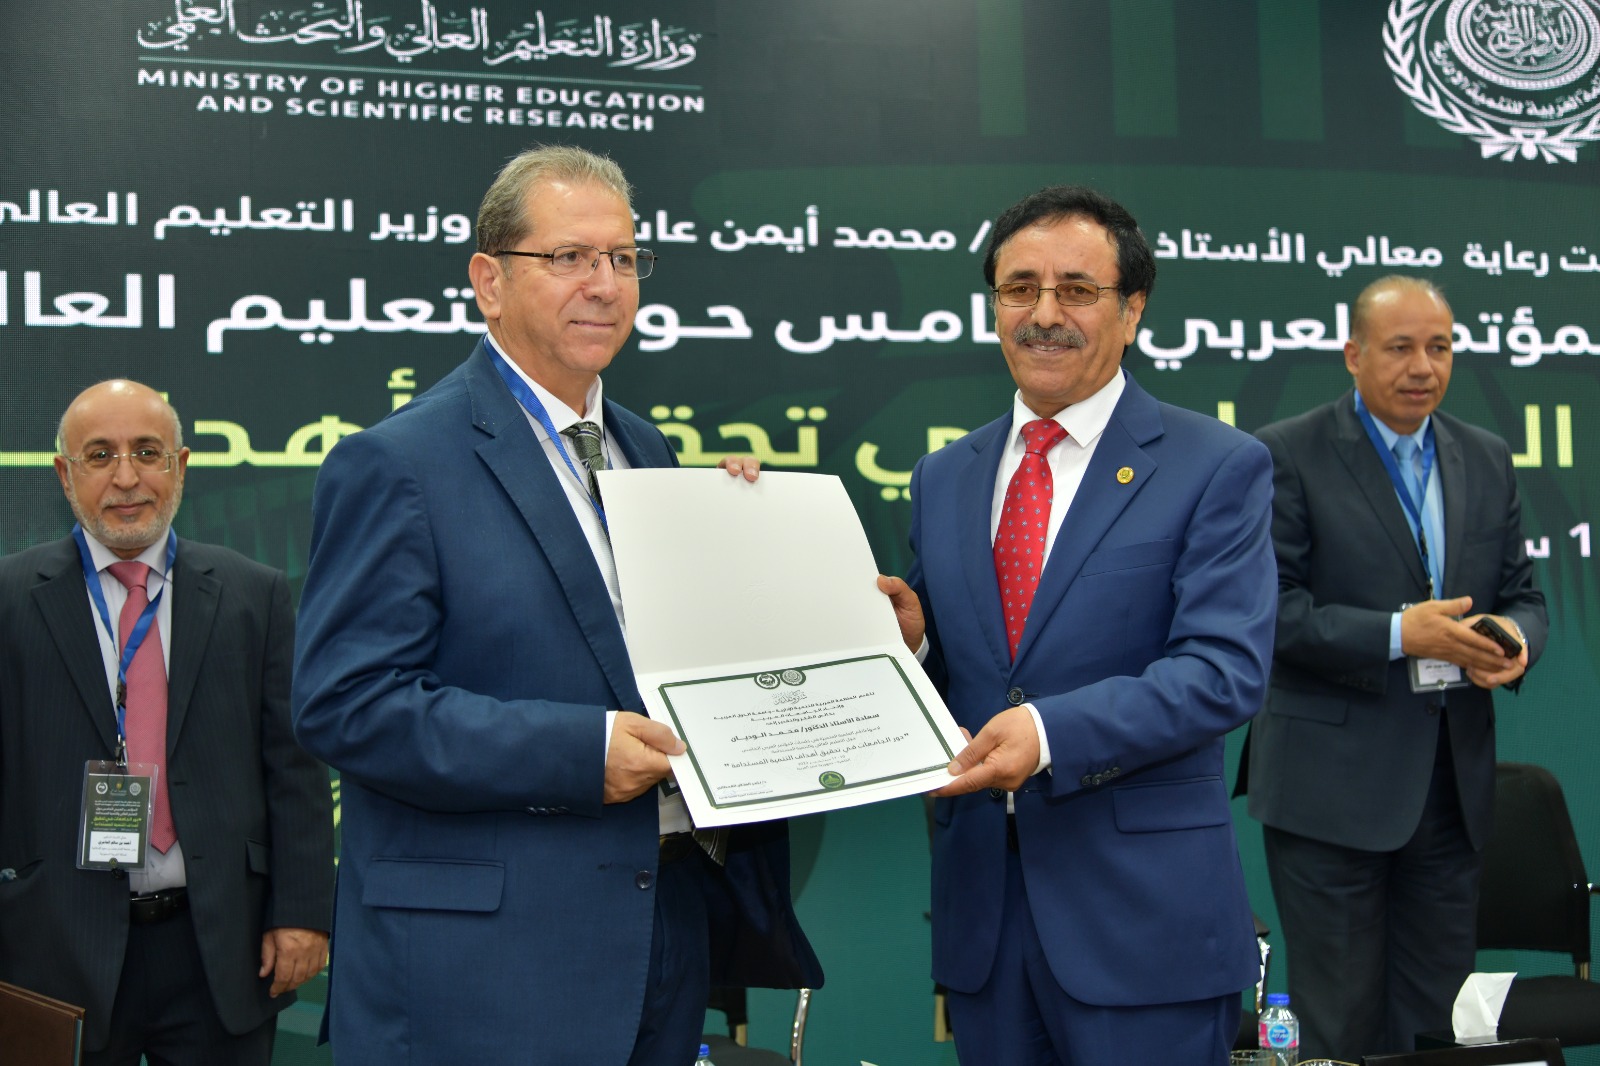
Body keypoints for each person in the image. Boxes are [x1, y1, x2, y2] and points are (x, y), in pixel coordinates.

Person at [291, 144, 821, 1066]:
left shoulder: (647, 452)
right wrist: (578, 752)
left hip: (662, 938)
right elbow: (347, 704)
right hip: (482, 972)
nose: (604, 285)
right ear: (489, 282)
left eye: (623, 258)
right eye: (569, 256)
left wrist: (764, 561)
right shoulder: (397, 462)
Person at [877, 185, 1276, 1065]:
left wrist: (1048, 732)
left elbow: (1223, 673)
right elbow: (969, 677)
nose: (1045, 314)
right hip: (986, 924)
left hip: (1145, 928)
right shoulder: (944, 475)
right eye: (1020, 289)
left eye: (1077, 290)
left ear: (1132, 311)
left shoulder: (1217, 465)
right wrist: (916, 646)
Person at [1241, 275, 1547, 1060]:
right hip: (1328, 790)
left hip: (1448, 789)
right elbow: (1269, 610)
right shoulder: (1287, 452)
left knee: (1436, 1023)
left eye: (1439, 348)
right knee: (1339, 1023)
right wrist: (1397, 634)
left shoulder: (1486, 456)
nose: (1423, 367)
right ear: (1354, 354)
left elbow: (1524, 595)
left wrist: (1512, 643)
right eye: (1401, 347)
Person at [0, 379, 336, 1066]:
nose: (126, 478)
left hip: (220, 947)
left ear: (180, 466)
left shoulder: (254, 593)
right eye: (100, 455)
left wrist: (302, 912)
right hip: (53, 948)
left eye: (147, 453)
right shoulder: (9, 598)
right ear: (64, 475)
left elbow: (294, 766)